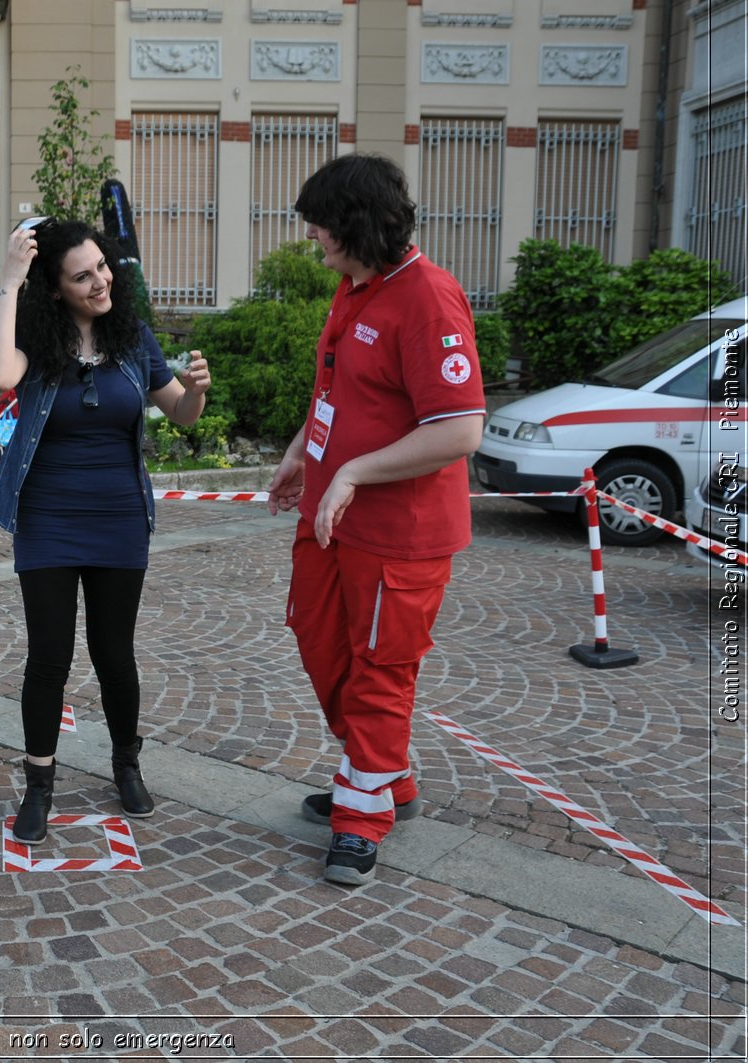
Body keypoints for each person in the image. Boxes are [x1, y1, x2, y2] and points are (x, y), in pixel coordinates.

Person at [265, 154, 486, 887]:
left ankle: (361, 817)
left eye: (321, 225)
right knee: (318, 637)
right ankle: (383, 769)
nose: (312, 237)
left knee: (379, 671)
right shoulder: (353, 287)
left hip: (400, 534)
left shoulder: (428, 297)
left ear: (357, 224)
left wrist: (355, 472)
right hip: (332, 521)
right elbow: (334, 389)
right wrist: (302, 452)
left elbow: (459, 430)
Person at [0, 219, 210, 843]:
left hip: (118, 517)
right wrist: (10, 280)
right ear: (55, 289)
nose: (101, 281)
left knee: (115, 654)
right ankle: (39, 783)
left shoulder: (131, 336)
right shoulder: (34, 335)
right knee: (48, 658)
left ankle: (126, 765)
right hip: (48, 518)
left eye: (103, 267)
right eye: (82, 276)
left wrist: (196, 394)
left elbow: (179, 413)